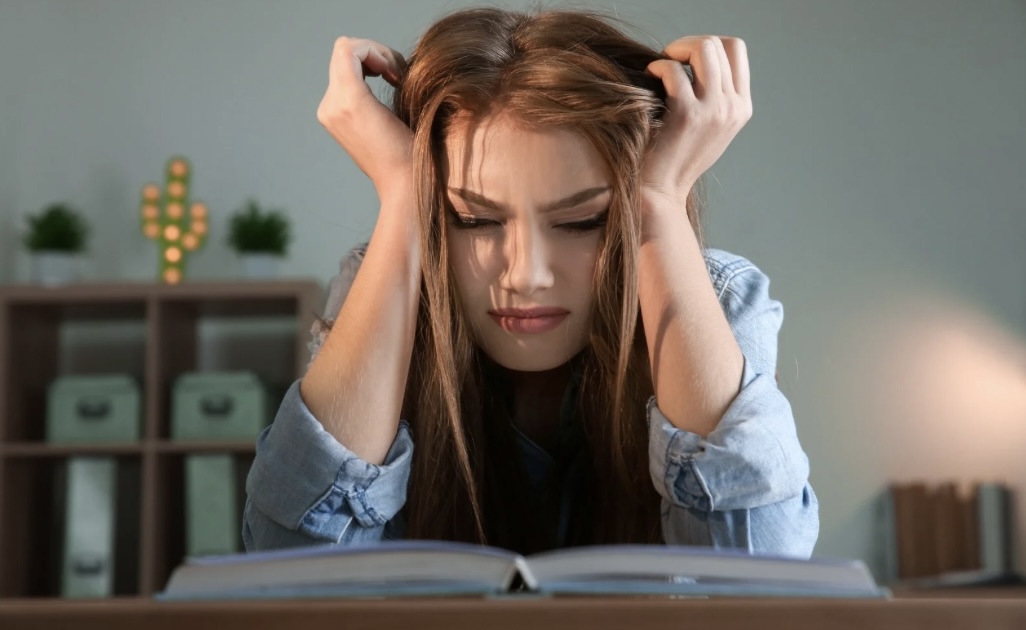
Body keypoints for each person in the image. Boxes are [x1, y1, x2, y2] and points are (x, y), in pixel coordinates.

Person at [243, 7, 818, 557]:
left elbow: (759, 566)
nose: (526, 276)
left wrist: (658, 199)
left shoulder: (715, 295)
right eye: (473, 219)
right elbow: (292, 565)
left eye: (582, 221)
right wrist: (401, 191)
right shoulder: (391, 280)